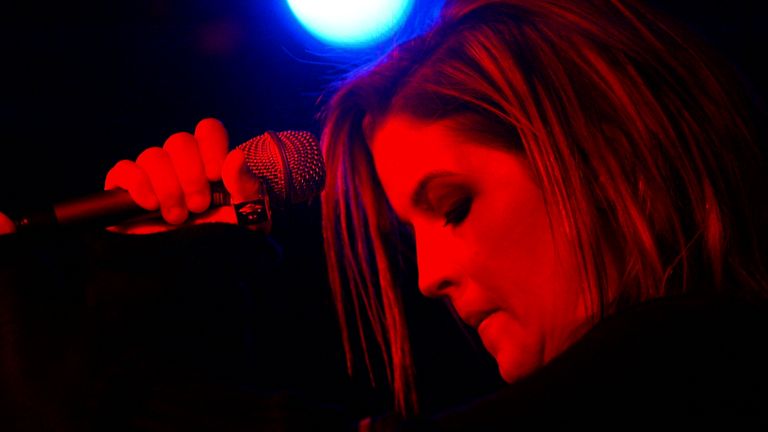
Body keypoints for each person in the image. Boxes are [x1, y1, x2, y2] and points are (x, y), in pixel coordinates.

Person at [2, 0, 767, 427]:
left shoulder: (695, 362)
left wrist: (128, 323)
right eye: (413, 232)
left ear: (608, 162)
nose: (428, 277)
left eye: (453, 208)